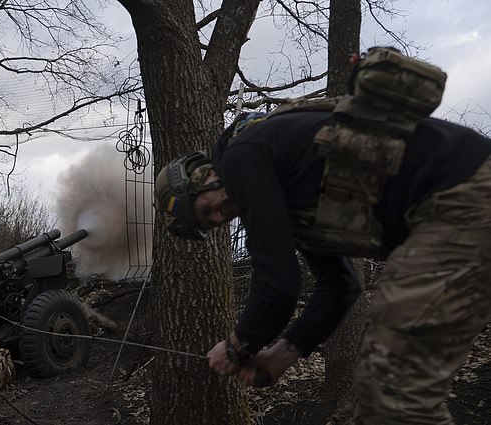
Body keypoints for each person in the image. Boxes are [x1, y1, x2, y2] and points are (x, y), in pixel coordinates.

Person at [154, 102, 491, 423]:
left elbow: (278, 287)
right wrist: (281, 356)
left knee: (393, 388)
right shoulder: (288, 194)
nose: (218, 216)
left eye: (205, 209)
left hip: (461, 196)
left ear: (202, 177)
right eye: (210, 223)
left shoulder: (241, 156)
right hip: (459, 202)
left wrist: (235, 345)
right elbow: (340, 286)